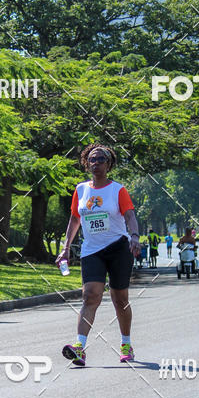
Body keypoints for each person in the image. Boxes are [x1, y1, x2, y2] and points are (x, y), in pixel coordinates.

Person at [56, 143, 141, 367]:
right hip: (92, 250)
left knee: (119, 299)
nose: (96, 163)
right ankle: (79, 348)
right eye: (92, 159)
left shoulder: (118, 190)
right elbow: (75, 220)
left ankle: (126, 344)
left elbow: (130, 215)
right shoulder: (81, 190)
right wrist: (65, 248)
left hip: (118, 248)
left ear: (109, 164)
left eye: (101, 159)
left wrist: (134, 236)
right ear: (86, 163)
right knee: (90, 295)